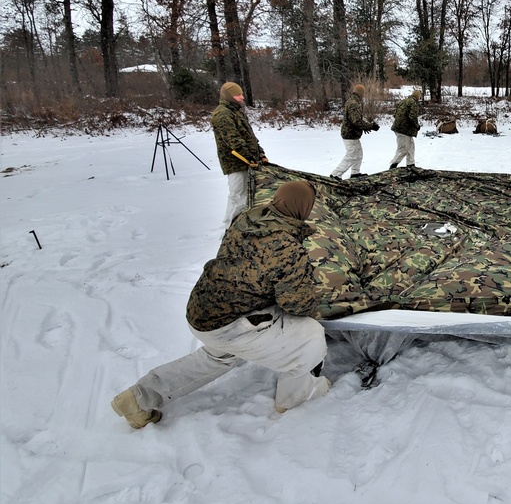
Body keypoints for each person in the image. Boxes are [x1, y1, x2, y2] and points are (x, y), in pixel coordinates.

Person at [111, 181, 331, 428]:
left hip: (203, 312)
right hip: (233, 325)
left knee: (217, 357)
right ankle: (295, 397)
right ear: (303, 207)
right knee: (310, 336)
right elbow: (298, 305)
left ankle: (138, 398)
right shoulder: (286, 246)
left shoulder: (247, 220)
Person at [211, 82, 266, 226]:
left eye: (241, 94)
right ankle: (230, 227)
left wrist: (260, 153)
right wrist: (249, 158)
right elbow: (234, 141)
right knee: (237, 196)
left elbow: (249, 137)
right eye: (237, 95)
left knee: (247, 195)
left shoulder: (236, 112)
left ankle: (244, 223)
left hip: (248, 160)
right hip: (235, 163)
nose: (242, 97)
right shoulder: (222, 114)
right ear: (229, 97)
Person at [331, 83, 379, 178]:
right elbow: (356, 121)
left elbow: (356, 119)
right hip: (350, 134)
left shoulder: (352, 101)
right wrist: (370, 126)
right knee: (352, 155)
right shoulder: (354, 104)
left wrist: (364, 127)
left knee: (358, 154)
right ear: (361, 94)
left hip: (352, 134)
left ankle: (355, 173)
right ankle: (335, 175)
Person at [389, 88, 422, 169]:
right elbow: (412, 117)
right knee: (403, 149)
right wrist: (416, 126)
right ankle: (393, 165)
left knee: (411, 146)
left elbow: (395, 114)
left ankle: (411, 164)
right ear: (418, 97)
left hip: (400, 128)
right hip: (403, 130)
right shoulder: (413, 103)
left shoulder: (404, 101)